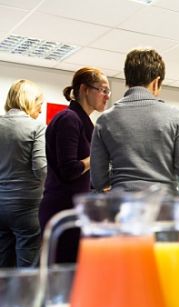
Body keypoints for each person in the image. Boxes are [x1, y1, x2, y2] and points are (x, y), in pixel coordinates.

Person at [91, 48, 179, 195]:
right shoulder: (176, 117)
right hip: (164, 207)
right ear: (156, 82)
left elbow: (98, 180)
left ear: (128, 78)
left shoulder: (105, 120)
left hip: (122, 208)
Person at [40, 67, 110, 263]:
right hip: (62, 210)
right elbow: (70, 169)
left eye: (108, 92)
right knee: (63, 277)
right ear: (85, 89)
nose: (106, 96)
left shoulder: (83, 122)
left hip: (74, 210)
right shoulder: (68, 119)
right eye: (103, 90)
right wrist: (98, 157)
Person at [0, 80, 46, 267]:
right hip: (27, 206)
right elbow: (41, 167)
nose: (41, 111)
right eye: (39, 104)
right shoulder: (36, 127)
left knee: (3, 264)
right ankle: (26, 297)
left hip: (0, 203)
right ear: (29, 100)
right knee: (28, 269)